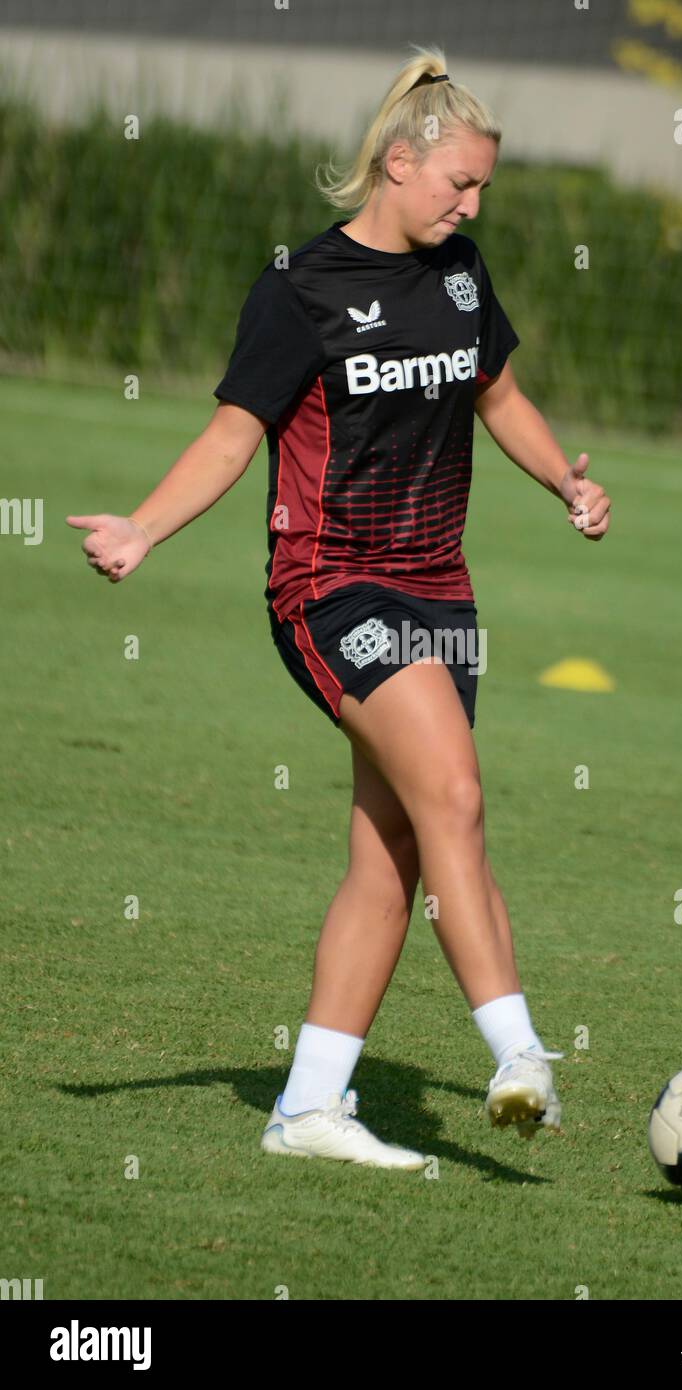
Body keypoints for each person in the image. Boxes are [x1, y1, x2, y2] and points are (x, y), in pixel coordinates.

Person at [67, 44, 611, 1172]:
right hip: (329, 585)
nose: (471, 204)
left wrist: (561, 476)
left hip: (439, 591)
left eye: (482, 190)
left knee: (396, 848)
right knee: (453, 791)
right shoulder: (301, 287)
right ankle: (519, 1051)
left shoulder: (462, 276)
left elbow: (497, 394)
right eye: (458, 182)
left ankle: (307, 1108)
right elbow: (233, 433)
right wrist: (141, 527)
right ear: (397, 162)